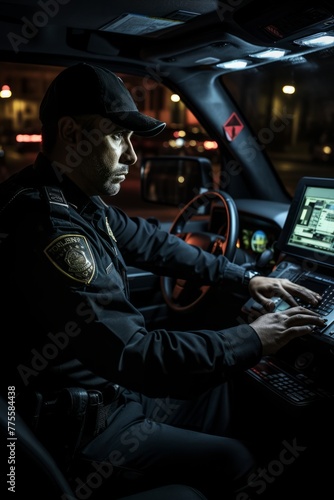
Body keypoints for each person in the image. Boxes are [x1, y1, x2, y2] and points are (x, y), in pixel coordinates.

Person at [1, 63, 325, 500]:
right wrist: (252, 337)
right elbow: (136, 354)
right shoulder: (52, 231)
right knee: (237, 460)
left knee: (225, 390)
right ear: (73, 134)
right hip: (80, 430)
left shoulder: (71, 200)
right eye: (119, 136)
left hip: (103, 395)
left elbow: (152, 244)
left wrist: (245, 278)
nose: (132, 156)